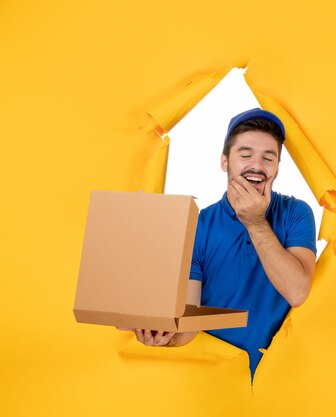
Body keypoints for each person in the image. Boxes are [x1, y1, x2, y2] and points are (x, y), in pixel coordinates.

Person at [125, 108, 317, 377]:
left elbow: (298, 292)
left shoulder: (296, 212)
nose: (257, 166)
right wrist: (167, 338)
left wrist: (255, 222)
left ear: (276, 167)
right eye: (245, 154)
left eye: (268, 158)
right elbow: (189, 323)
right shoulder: (196, 226)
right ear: (225, 162)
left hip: (282, 377)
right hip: (217, 380)